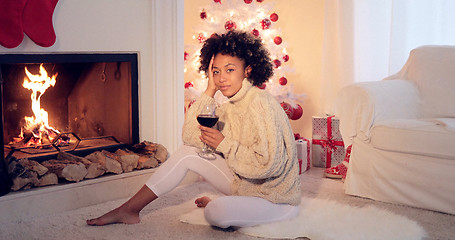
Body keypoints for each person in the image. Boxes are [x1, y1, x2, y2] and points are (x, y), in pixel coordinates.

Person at [86, 30, 301, 228]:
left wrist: (224, 144)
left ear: (248, 70)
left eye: (229, 70)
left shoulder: (260, 102)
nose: (222, 78)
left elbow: (268, 165)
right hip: (246, 185)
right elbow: (190, 138)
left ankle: (232, 205)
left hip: (275, 199)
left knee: (216, 212)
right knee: (188, 153)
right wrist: (209, 90)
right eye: (216, 71)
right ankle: (129, 209)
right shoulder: (228, 107)